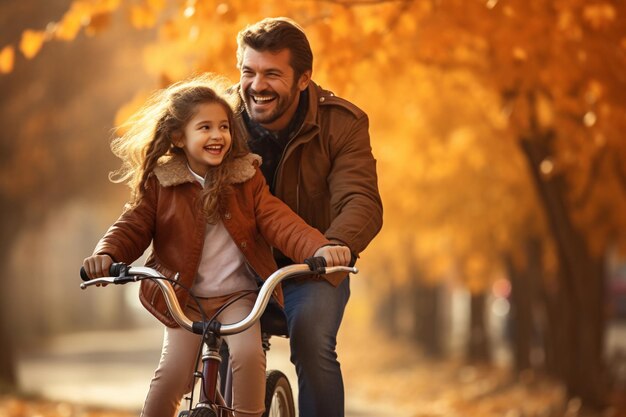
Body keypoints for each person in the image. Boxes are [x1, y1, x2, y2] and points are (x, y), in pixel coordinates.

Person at [81, 74, 352, 417]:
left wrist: (319, 248)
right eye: (205, 127)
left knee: (249, 358)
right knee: (171, 377)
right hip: (184, 298)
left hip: (237, 298)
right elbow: (132, 226)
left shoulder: (245, 178)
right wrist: (106, 254)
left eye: (224, 127)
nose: (217, 135)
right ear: (178, 137)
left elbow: (279, 221)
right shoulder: (162, 183)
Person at [232, 17, 384, 417]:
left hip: (311, 266)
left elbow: (361, 199)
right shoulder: (218, 118)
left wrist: (337, 244)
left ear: (303, 79)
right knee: (207, 343)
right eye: (248, 72)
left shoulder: (342, 124)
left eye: (272, 74)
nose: (257, 85)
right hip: (236, 265)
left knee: (313, 341)